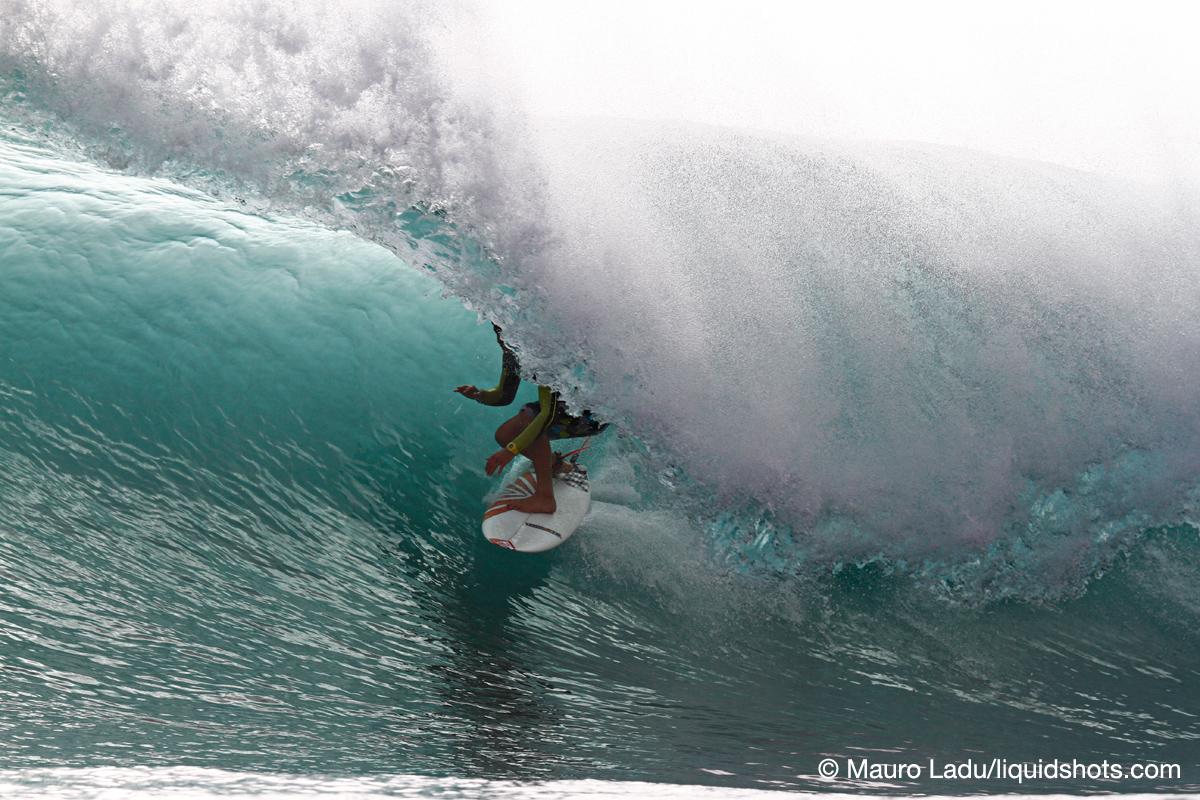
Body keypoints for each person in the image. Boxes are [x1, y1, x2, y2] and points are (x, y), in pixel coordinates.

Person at [456, 324, 608, 514]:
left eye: (501, 333)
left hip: (592, 416)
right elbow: (504, 396)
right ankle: (556, 464)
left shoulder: (541, 356)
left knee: (529, 415)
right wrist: (479, 394)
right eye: (497, 333)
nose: (499, 339)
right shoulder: (512, 354)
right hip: (563, 411)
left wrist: (511, 451)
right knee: (505, 435)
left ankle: (545, 498)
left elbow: (546, 416)